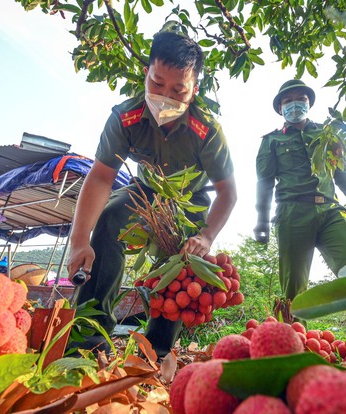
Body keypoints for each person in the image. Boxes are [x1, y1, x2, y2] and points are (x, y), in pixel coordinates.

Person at [67, 31, 237, 356]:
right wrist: (79, 241)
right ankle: (87, 341)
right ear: (147, 73)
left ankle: (155, 351)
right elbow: (102, 177)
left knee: (183, 264)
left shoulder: (207, 130)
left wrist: (206, 236)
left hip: (190, 201)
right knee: (112, 216)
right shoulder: (125, 118)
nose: (165, 97)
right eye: (157, 84)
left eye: (178, 90)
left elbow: (227, 193)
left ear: (195, 90)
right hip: (144, 193)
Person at [254, 79, 346, 301]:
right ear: (280, 108)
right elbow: (264, 183)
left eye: (301, 99)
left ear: (309, 103)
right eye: (288, 101)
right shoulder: (271, 141)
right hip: (292, 215)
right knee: (294, 289)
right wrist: (261, 221)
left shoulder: (327, 136)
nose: (294, 104)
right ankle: (296, 335)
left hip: (331, 212)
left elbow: (343, 173)